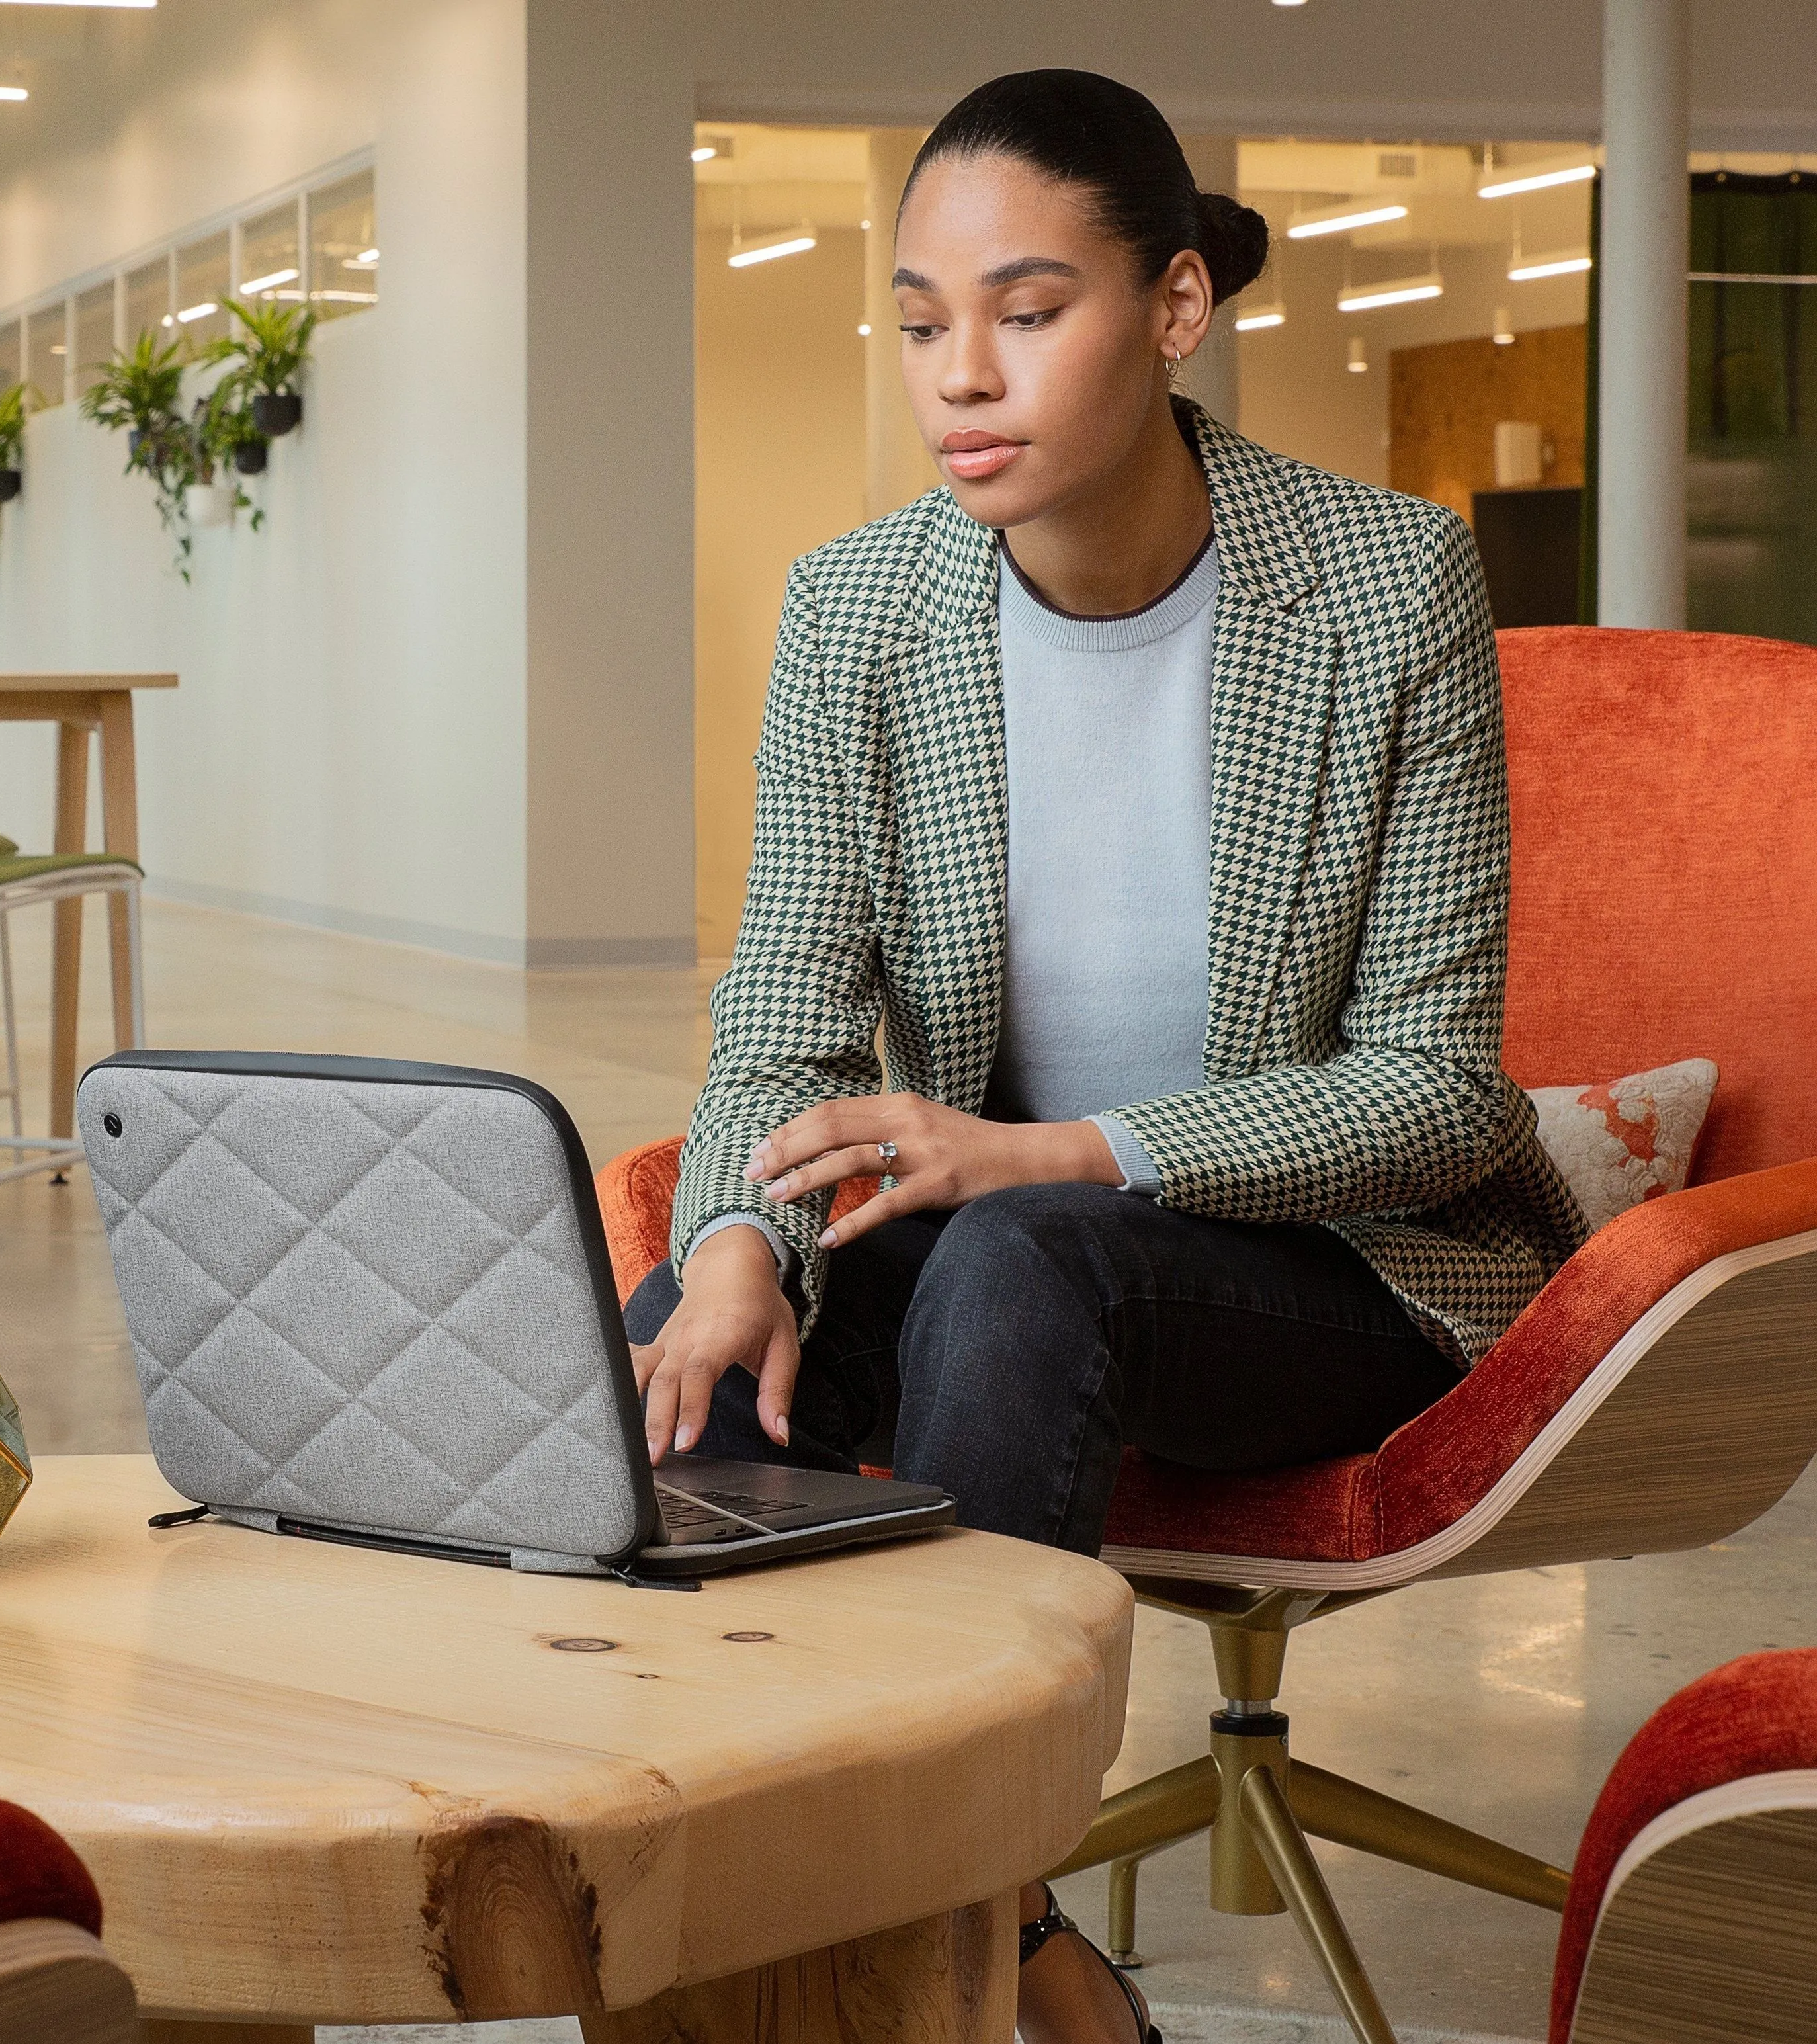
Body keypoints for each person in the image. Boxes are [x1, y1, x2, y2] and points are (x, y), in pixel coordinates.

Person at [625, 68, 1586, 2044]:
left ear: (1173, 307)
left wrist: (1051, 1154)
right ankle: (737, 1943)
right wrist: (735, 1234)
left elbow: (1433, 1094)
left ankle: (973, 1941)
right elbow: (784, 1012)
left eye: (1028, 309)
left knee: (1017, 1250)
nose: (960, 374)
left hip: (1335, 1270)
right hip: (1010, 1248)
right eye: (918, 324)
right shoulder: (859, 610)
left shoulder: (1384, 584)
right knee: (682, 1334)